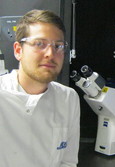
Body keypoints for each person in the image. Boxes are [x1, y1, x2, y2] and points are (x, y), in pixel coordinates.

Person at [0, 9, 80, 167]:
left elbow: (68, 162)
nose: (50, 53)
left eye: (58, 46)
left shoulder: (68, 98)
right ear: (18, 50)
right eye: (39, 44)